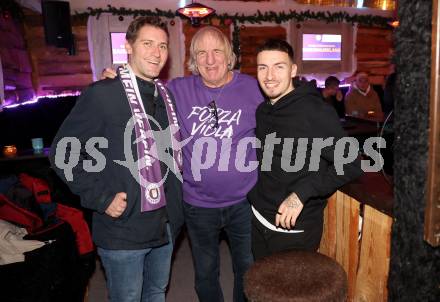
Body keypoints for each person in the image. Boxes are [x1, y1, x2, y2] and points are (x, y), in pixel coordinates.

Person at [102, 26, 263, 302]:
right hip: (197, 204)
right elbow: (141, 91)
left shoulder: (253, 87)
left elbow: (284, 104)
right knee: (205, 271)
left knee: (248, 269)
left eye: (217, 52)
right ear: (193, 61)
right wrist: (118, 79)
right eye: (202, 53)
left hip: (245, 201)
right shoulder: (175, 90)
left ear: (229, 55)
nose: (210, 60)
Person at [49, 17, 184, 302]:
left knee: (156, 293)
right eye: (147, 44)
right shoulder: (103, 93)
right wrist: (100, 197)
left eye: (162, 46)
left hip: (165, 225)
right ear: (128, 47)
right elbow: (63, 152)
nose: (156, 53)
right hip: (123, 228)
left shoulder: (166, 96)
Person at [248, 39, 363, 259]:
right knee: (259, 291)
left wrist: (302, 193)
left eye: (278, 67)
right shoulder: (263, 110)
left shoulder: (315, 112)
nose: (269, 76)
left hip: (294, 231)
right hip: (259, 219)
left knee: (287, 293)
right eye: (263, 67)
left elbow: (352, 164)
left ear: (293, 70)